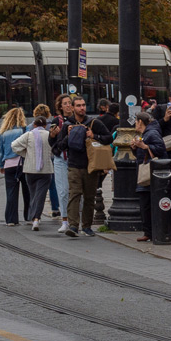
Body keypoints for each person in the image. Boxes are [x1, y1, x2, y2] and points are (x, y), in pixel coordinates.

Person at [63, 97, 113, 237]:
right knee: (75, 194)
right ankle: (73, 226)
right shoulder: (68, 124)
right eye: (78, 106)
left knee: (90, 197)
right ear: (73, 108)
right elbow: (58, 147)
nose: (82, 108)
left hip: (91, 166)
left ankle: (86, 226)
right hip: (74, 165)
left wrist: (94, 135)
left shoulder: (94, 123)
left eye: (84, 105)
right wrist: (68, 136)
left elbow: (109, 138)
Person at [130, 111, 167, 242]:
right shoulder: (147, 133)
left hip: (149, 174)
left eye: (136, 121)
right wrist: (135, 147)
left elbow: (160, 150)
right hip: (147, 172)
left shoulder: (151, 133)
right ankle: (149, 231)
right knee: (146, 203)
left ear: (140, 121)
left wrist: (144, 146)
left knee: (147, 204)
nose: (135, 124)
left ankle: (150, 231)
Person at [12, 116, 53, 230]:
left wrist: (26, 154)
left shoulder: (29, 135)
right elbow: (54, 148)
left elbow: (14, 145)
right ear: (45, 125)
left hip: (30, 170)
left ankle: (33, 216)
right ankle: (36, 219)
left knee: (33, 194)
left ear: (34, 125)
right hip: (45, 170)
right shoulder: (49, 135)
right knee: (41, 195)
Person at [0, 107, 27, 226]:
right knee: (27, 191)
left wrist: (1, 165)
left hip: (9, 165)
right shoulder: (24, 130)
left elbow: (1, 151)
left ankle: (11, 219)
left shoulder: (3, 133)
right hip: (22, 164)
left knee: (11, 193)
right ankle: (29, 216)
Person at [47, 95, 71, 227]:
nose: (68, 105)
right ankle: (65, 220)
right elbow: (51, 142)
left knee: (77, 191)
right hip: (61, 158)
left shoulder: (76, 120)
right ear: (60, 106)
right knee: (62, 191)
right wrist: (52, 135)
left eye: (69, 103)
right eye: (65, 103)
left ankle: (76, 218)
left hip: (75, 158)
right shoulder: (56, 121)